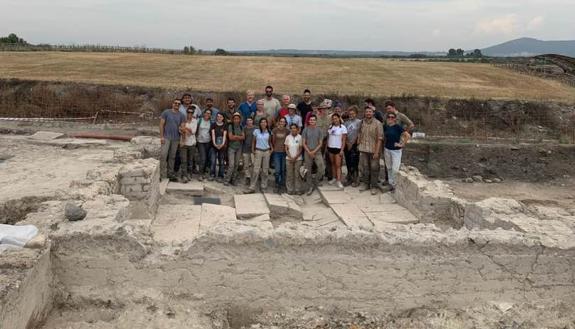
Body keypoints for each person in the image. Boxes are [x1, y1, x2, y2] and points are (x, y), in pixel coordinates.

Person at [357, 106, 383, 195]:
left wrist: (376, 152)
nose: (368, 113)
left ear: (373, 113)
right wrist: (358, 143)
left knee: (374, 168)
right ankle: (366, 184)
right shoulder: (362, 122)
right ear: (365, 113)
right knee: (365, 168)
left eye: (370, 111)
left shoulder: (378, 124)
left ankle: (374, 186)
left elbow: (380, 139)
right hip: (364, 149)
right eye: (367, 111)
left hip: (373, 150)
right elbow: (360, 133)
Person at [160, 98, 186, 181]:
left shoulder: (182, 115)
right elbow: (161, 125)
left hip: (176, 139)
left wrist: (182, 138)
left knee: (172, 157)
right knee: (163, 155)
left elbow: (182, 128)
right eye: (175, 103)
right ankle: (161, 174)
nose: (177, 105)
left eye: (179, 104)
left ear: (180, 105)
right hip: (166, 137)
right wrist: (161, 137)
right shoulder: (166, 112)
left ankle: (170, 174)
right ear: (172, 103)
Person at [383, 112, 409, 192]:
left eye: (392, 117)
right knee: (389, 168)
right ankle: (391, 184)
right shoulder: (386, 127)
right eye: (389, 117)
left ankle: (396, 185)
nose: (390, 118)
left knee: (395, 169)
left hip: (396, 151)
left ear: (395, 118)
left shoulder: (398, 127)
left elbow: (407, 135)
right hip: (387, 149)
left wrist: (402, 144)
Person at [245, 118, 272, 193]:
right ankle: (252, 187)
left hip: (266, 152)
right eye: (262, 122)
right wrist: (253, 150)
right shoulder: (256, 131)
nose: (263, 123)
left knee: (265, 170)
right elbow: (253, 141)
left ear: (267, 123)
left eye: (265, 122)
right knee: (256, 170)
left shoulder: (269, 131)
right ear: (260, 123)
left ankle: (263, 186)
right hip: (258, 151)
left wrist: (271, 149)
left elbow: (270, 142)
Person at [302, 115, 325, 195]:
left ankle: (316, 182)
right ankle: (309, 186)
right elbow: (303, 143)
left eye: (313, 120)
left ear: (316, 121)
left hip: (317, 152)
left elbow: (321, 143)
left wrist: (314, 152)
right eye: (310, 120)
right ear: (308, 121)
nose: (312, 121)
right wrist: (309, 152)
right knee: (308, 170)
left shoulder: (319, 130)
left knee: (321, 168)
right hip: (307, 152)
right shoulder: (305, 130)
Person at [327, 113, 347, 189]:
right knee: (332, 164)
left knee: (338, 165)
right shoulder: (330, 127)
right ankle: (334, 178)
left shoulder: (343, 127)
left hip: (338, 148)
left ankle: (339, 180)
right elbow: (329, 138)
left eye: (336, 118)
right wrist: (327, 147)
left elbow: (344, 140)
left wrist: (342, 150)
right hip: (331, 148)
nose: (335, 120)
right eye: (333, 119)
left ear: (339, 118)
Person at [178, 107, 198, 183]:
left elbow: (193, 132)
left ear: (193, 113)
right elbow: (180, 130)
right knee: (184, 160)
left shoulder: (195, 121)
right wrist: (186, 130)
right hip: (183, 142)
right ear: (186, 113)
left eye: (191, 112)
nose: (190, 114)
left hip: (192, 143)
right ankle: (184, 175)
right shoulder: (183, 119)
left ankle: (189, 174)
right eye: (188, 112)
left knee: (190, 160)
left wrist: (185, 128)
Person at [343, 106, 361, 187]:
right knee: (348, 161)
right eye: (350, 114)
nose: (351, 115)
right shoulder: (346, 122)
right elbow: (344, 134)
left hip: (355, 145)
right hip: (347, 145)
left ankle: (356, 178)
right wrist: (347, 143)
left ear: (356, 114)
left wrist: (353, 143)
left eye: (353, 114)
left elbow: (359, 134)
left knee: (355, 162)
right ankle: (349, 177)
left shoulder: (359, 122)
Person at [225, 113, 244, 186]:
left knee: (236, 165)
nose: (236, 120)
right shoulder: (230, 126)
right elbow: (230, 137)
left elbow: (243, 137)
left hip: (239, 148)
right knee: (231, 165)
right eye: (235, 119)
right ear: (233, 119)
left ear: (239, 119)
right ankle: (227, 179)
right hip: (231, 148)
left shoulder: (241, 127)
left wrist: (235, 136)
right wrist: (239, 137)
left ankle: (233, 179)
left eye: (238, 119)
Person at [285, 123, 303, 195]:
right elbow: (286, 148)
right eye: (291, 128)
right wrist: (290, 157)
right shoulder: (288, 137)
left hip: (298, 159)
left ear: (297, 129)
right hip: (289, 159)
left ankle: (298, 189)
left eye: (294, 128)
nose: (293, 129)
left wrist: (295, 157)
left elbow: (301, 148)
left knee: (297, 175)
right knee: (289, 175)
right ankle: (290, 189)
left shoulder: (300, 137)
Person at [271, 116, 289, 193]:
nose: (282, 123)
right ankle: (277, 183)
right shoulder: (275, 130)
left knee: (283, 169)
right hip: (276, 152)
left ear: (285, 123)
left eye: (283, 122)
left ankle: (282, 185)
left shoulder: (287, 131)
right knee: (277, 170)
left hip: (284, 152)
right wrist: (274, 148)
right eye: (281, 121)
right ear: (278, 122)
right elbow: (273, 141)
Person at [210, 112, 227, 181]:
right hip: (214, 145)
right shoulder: (213, 125)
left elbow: (224, 136)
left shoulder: (225, 125)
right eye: (218, 116)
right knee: (213, 160)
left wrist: (222, 144)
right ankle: (212, 174)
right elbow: (213, 134)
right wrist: (215, 144)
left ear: (223, 118)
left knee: (221, 161)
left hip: (222, 146)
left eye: (220, 117)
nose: (219, 118)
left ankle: (221, 175)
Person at [196, 109, 212, 180]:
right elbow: (195, 129)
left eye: (209, 113)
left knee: (206, 158)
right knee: (203, 158)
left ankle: (204, 171)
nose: (207, 114)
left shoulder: (211, 122)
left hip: (208, 141)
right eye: (206, 113)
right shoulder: (199, 120)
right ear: (204, 113)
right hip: (200, 141)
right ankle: (200, 174)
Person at [242, 117, 256, 186]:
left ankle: (253, 177)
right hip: (245, 148)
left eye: (250, 120)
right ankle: (248, 177)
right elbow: (243, 138)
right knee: (246, 164)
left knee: (254, 164)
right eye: (248, 120)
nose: (249, 122)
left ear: (252, 121)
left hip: (254, 149)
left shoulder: (256, 128)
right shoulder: (244, 128)